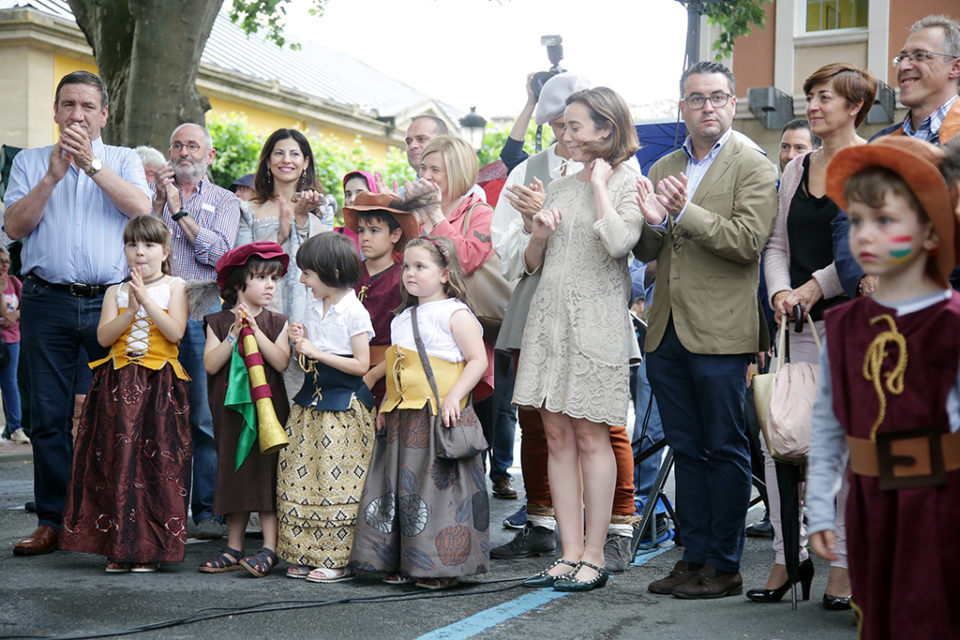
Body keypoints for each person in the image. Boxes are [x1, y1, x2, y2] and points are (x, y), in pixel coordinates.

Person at [635, 61, 778, 598]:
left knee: (725, 448)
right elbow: (650, 250)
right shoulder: (665, 163)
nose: (707, 107)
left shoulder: (754, 164)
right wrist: (651, 221)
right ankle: (692, 558)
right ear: (682, 108)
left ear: (733, 103)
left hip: (722, 332)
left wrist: (685, 211)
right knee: (687, 449)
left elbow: (746, 243)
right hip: (666, 328)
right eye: (696, 99)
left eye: (717, 97)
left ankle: (725, 563)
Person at [809, 135, 960, 640]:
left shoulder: (950, 323)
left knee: (930, 615)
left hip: (939, 502)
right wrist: (820, 507)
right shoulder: (847, 325)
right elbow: (829, 420)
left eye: (885, 221)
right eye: (856, 221)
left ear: (932, 233)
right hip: (869, 503)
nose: (865, 235)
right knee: (878, 616)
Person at [8, 70, 151, 556]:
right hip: (46, 300)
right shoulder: (30, 161)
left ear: (104, 114)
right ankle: (54, 520)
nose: (77, 114)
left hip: (109, 301)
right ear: (55, 111)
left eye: (88, 106)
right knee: (47, 416)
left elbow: (140, 210)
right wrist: (52, 176)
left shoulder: (123, 159)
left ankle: (111, 519)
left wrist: (90, 166)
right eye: (68, 104)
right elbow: (13, 226)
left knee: (116, 413)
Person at [751, 63, 876, 609]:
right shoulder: (797, 166)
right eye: (811, 96)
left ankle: (843, 569)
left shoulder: (872, 164)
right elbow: (775, 244)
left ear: (855, 107)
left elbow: (864, 248)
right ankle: (787, 556)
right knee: (780, 440)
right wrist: (782, 293)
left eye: (826, 97)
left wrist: (812, 288)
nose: (814, 106)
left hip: (853, 327)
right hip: (796, 328)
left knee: (843, 450)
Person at [512, 86, 641, 592]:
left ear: (605, 129)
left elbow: (619, 242)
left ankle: (594, 553)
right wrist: (537, 229)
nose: (563, 134)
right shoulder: (558, 183)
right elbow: (530, 265)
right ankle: (567, 553)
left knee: (592, 436)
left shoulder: (628, 180)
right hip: (549, 323)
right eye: (562, 126)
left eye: (573, 126)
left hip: (597, 324)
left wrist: (602, 184)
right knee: (557, 437)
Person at [350, 235, 489, 590]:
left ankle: (439, 567)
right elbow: (397, 366)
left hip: (437, 417)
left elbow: (478, 360)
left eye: (421, 266)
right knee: (400, 491)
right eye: (407, 266)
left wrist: (455, 397)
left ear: (445, 274)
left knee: (437, 493)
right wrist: (384, 404)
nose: (410, 273)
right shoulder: (402, 318)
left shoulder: (455, 313)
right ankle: (402, 561)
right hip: (402, 417)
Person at [59, 216, 189, 573]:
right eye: (132, 245)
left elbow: (175, 332)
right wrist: (129, 308)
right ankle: (118, 546)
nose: (139, 252)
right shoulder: (114, 291)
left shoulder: (176, 286)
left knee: (153, 466)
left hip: (157, 386)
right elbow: (103, 338)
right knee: (116, 464)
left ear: (164, 252)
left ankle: (148, 549)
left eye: (147, 245)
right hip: (117, 386)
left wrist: (145, 300)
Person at [154, 122, 241, 540]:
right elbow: (135, 245)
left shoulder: (224, 200)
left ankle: (206, 511)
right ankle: (162, 510)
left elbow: (221, 255)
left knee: (204, 418)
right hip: (152, 315)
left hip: (202, 314)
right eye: (177, 145)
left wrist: (178, 211)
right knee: (158, 417)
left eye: (193, 146)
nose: (183, 152)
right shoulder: (151, 197)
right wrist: (159, 204)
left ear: (208, 155)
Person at [832, 15, 960, 296]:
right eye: (901, 58)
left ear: (955, 67)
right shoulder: (881, 144)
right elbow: (847, 219)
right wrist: (863, 275)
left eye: (920, 56)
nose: (904, 66)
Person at [278, 232, 376, 584]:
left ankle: (338, 559)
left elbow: (362, 365)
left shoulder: (354, 310)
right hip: (311, 404)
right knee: (301, 475)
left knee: (339, 482)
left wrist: (316, 351)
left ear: (331, 271)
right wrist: (299, 340)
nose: (302, 281)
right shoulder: (312, 304)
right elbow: (307, 352)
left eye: (307, 273)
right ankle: (305, 552)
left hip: (343, 406)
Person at [199, 241, 290, 578]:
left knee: (266, 472)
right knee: (233, 471)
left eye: (274, 279)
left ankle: (270, 546)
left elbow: (280, 362)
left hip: (269, 409)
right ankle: (234, 546)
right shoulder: (218, 321)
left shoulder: (277, 322)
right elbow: (210, 365)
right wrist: (234, 334)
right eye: (261, 278)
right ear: (239, 283)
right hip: (230, 411)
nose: (270, 285)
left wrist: (255, 329)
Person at [237, 129, 334, 325]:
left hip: (311, 311)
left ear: (305, 162)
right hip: (261, 312)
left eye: (295, 154)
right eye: (279, 153)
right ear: (267, 161)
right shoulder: (249, 211)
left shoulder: (321, 210)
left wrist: (302, 220)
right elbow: (240, 265)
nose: (286, 160)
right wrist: (279, 238)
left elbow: (327, 263)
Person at [342, 191, 420, 406]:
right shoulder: (350, 274)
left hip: (388, 372)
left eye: (374, 230)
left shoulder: (404, 280)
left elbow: (407, 341)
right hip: (345, 368)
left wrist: (374, 375)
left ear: (395, 235)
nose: (365, 237)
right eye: (361, 230)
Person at [0, 247, 26, 445]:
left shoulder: (15, 282)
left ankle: (16, 427)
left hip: (11, 339)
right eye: (0, 261)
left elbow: (25, 305)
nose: (4, 265)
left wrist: (13, 316)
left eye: (6, 261)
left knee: (10, 383)